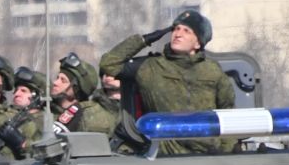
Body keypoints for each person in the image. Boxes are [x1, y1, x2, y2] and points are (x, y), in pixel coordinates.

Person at [100, 9, 235, 155]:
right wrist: (145, 40)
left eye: (186, 31)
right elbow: (109, 64)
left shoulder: (212, 71)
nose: (178, 34)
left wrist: (225, 152)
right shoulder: (151, 67)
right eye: (176, 29)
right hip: (165, 158)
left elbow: (228, 113)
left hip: (207, 157)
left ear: (198, 43)